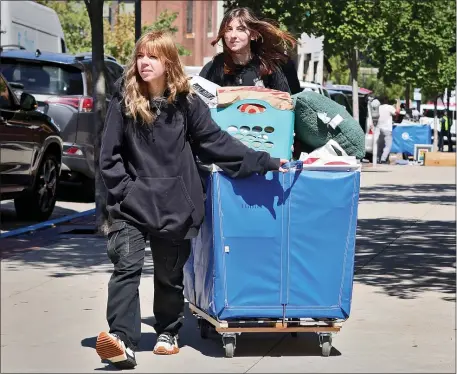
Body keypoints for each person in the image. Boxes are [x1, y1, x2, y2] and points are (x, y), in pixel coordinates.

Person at [96, 30, 287, 369]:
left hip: (175, 203)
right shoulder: (123, 100)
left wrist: (264, 161)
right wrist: (126, 191)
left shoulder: (186, 103)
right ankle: (122, 340)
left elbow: (217, 144)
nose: (144, 62)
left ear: (168, 62)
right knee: (126, 267)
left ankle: (168, 331)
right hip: (131, 205)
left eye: (152, 56)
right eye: (141, 55)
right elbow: (108, 156)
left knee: (170, 276)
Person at [199, 7, 297, 93]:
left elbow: (286, 103)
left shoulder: (268, 67)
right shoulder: (214, 67)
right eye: (228, 29)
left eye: (240, 29)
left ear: (253, 35)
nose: (233, 35)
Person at [376, 96, 396, 164]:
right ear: (387, 100)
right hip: (387, 128)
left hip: (379, 128)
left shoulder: (378, 107)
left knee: (380, 145)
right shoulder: (389, 107)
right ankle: (383, 159)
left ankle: (377, 158)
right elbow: (396, 113)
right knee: (388, 145)